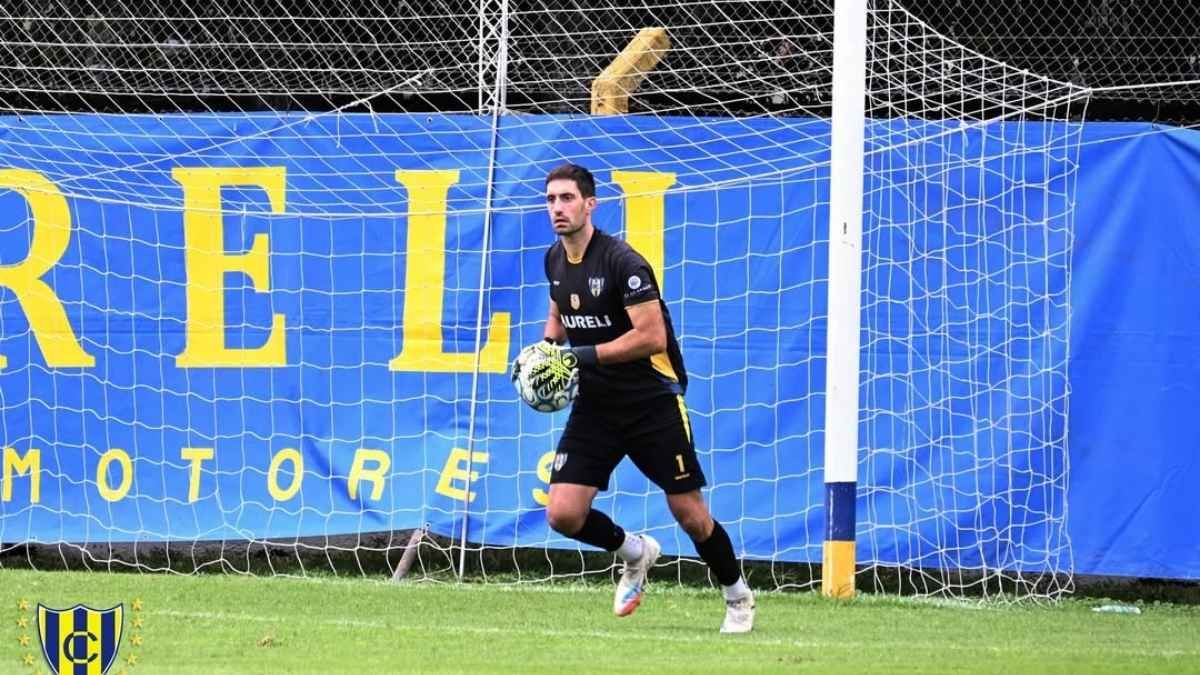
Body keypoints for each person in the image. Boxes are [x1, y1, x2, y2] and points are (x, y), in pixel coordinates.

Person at [525, 162, 755, 633]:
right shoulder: (553, 259)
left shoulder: (623, 263)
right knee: (563, 514)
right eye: (550, 200)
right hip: (596, 406)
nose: (557, 208)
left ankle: (737, 596)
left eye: (567, 198)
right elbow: (559, 310)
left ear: (591, 204)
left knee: (689, 515)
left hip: (652, 402)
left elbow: (651, 337)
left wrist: (580, 357)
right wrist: (546, 353)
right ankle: (634, 552)